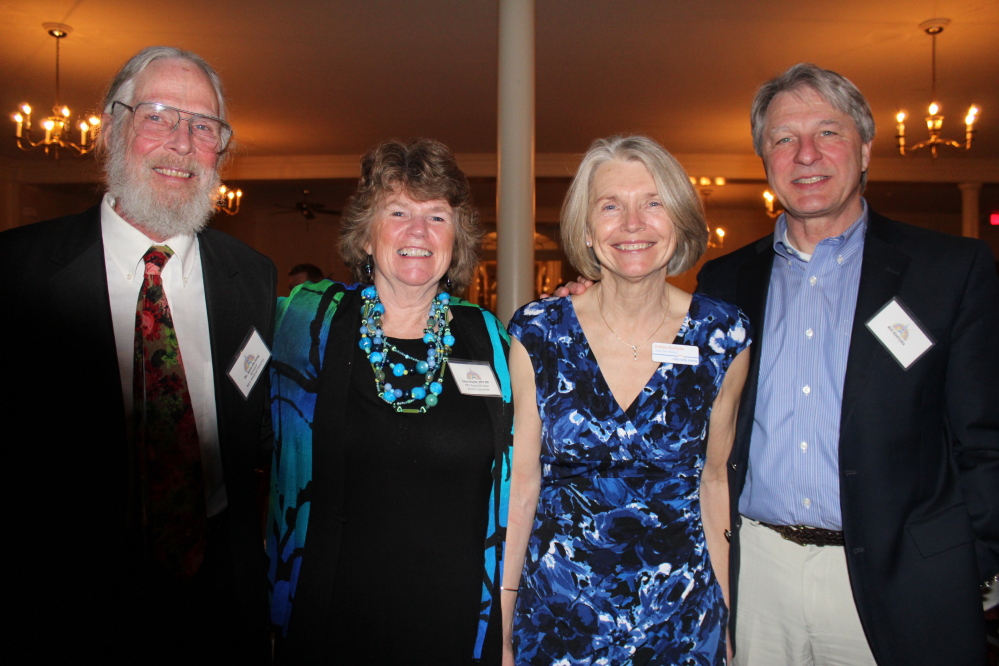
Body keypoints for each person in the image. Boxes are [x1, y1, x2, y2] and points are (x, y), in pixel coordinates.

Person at [697, 63, 999, 665]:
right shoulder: (723, 282)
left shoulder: (949, 271)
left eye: (827, 133)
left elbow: (984, 437)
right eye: (783, 139)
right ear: (765, 160)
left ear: (864, 149)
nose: (805, 154)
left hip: (904, 576)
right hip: (758, 573)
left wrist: (980, 563)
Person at [0, 47, 275, 662]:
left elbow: (259, 431)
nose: (182, 143)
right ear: (111, 128)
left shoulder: (252, 277)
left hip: (219, 600)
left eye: (204, 126)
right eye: (158, 115)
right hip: (65, 598)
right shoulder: (17, 272)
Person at [503, 135, 751, 665]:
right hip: (558, 618)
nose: (632, 223)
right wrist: (503, 620)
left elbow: (714, 481)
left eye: (653, 203)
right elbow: (522, 484)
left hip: (681, 619)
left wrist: (729, 616)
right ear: (587, 231)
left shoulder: (723, 336)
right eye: (611, 206)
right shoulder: (538, 332)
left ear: (680, 221)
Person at [267, 138, 511, 664]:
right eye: (398, 212)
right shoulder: (307, 324)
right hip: (335, 610)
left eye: (437, 216)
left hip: (458, 614)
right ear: (366, 233)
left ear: (457, 238)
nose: (418, 232)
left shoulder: (491, 339)